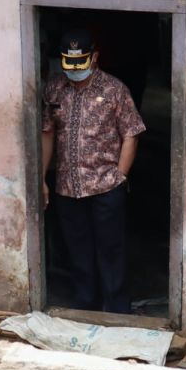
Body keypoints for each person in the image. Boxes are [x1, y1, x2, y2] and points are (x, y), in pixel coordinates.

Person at [41, 28, 145, 314]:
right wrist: (42, 179)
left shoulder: (114, 90)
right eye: (69, 63)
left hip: (105, 187)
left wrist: (119, 177)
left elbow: (131, 133)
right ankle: (84, 306)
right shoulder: (55, 88)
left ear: (95, 57)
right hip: (67, 187)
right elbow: (47, 133)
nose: (74, 70)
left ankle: (115, 310)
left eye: (81, 62)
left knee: (111, 251)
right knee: (77, 251)